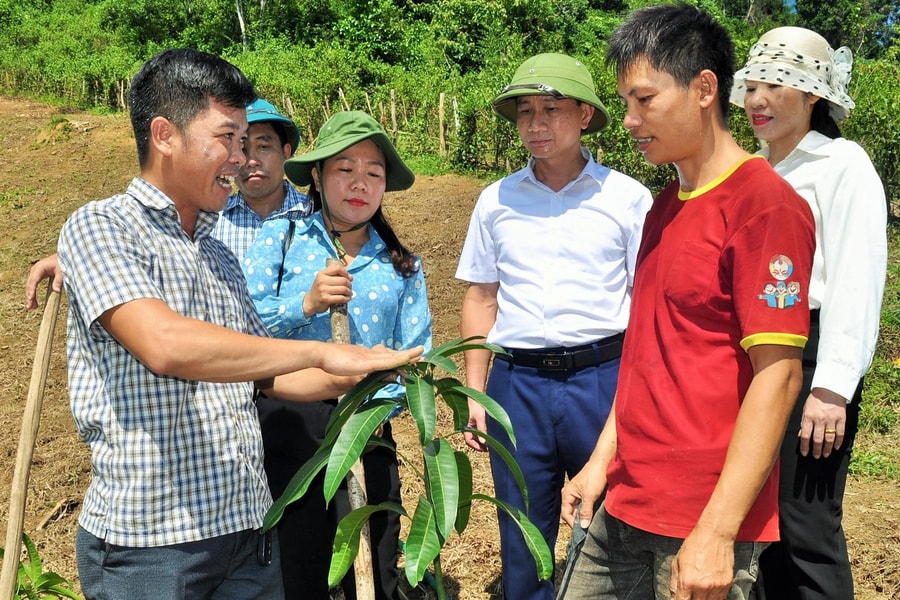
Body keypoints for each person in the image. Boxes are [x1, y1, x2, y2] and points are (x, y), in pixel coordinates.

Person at [51, 49, 423, 599]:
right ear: (164, 135)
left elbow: (263, 374)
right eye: (227, 138)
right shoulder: (103, 227)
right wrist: (319, 352)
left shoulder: (220, 257)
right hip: (154, 543)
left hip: (246, 533)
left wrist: (359, 375)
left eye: (246, 140)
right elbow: (165, 344)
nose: (240, 158)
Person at [558, 5, 818, 599]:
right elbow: (647, 356)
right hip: (624, 502)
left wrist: (718, 532)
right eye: (625, 103)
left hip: (699, 521)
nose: (628, 120)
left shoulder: (765, 207)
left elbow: (777, 378)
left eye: (644, 100)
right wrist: (601, 461)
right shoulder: (664, 207)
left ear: (704, 89)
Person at [454, 53, 653, 599]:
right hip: (518, 386)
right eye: (525, 113)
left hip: (603, 378)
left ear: (585, 115)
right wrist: (475, 391)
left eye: (551, 110)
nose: (535, 125)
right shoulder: (496, 200)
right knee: (522, 531)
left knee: (613, 522)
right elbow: (482, 295)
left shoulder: (627, 199)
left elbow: (648, 302)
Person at [242, 110, 432, 600]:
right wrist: (304, 303)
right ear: (319, 176)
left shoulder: (402, 264)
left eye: (374, 173)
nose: (360, 184)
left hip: (368, 426)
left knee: (374, 558)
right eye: (345, 169)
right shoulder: (281, 238)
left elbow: (416, 352)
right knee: (298, 562)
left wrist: (373, 389)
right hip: (289, 422)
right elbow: (243, 334)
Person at [731, 26, 888, 599]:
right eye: (753, 85)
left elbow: (856, 278)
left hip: (814, 352)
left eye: (777, 84)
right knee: (762, 519)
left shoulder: (842, 165)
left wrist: (833, 388)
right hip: (757, 353)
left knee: (807, 524)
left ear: (814, 95)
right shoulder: (753, 167)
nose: (759, 99)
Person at [24, 96, 310, 305]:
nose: (249, 160)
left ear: (286, 151)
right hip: (230, 368)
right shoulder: (209, 218)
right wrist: (72, 255)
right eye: (240, 146)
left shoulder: (315, 216)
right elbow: (157, 238)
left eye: (264, 146)